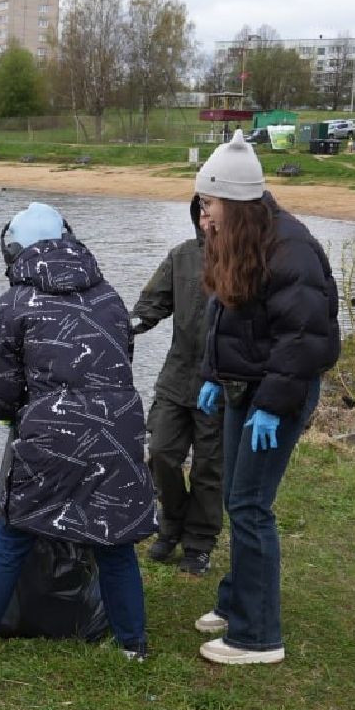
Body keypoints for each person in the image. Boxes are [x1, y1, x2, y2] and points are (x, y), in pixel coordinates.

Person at [0, 203, 155, 663]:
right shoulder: (110, 297)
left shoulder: (13, 303)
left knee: (13, 531)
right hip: (119, 428)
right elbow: (122, 361)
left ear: (13, 252)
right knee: (114, 540)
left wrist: (16, 415)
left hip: (51, 431)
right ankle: (133, 647)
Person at [191, 139, 340, 665]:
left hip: (279, 392)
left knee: (251, 506)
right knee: (237, 497)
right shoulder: (240, 238)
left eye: (208, 204)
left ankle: (257, 637)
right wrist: (214, 375)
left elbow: (303, 338)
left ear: (233, 202)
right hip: (245, 386)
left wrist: (274, 404)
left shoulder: (290, 250)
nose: (203, 214)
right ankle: (237, 603)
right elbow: (225, 318)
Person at [130, 197, 223, 575]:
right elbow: (150, 305)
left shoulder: (247, 259)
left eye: (210, 210)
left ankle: (199, 543)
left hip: (219, 384)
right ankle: (171, 526)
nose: (205, 218)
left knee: (209, 468)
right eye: (199, 210)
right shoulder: (181, 255)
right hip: (176, 378)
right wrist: (125, 327)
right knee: (162, 453)